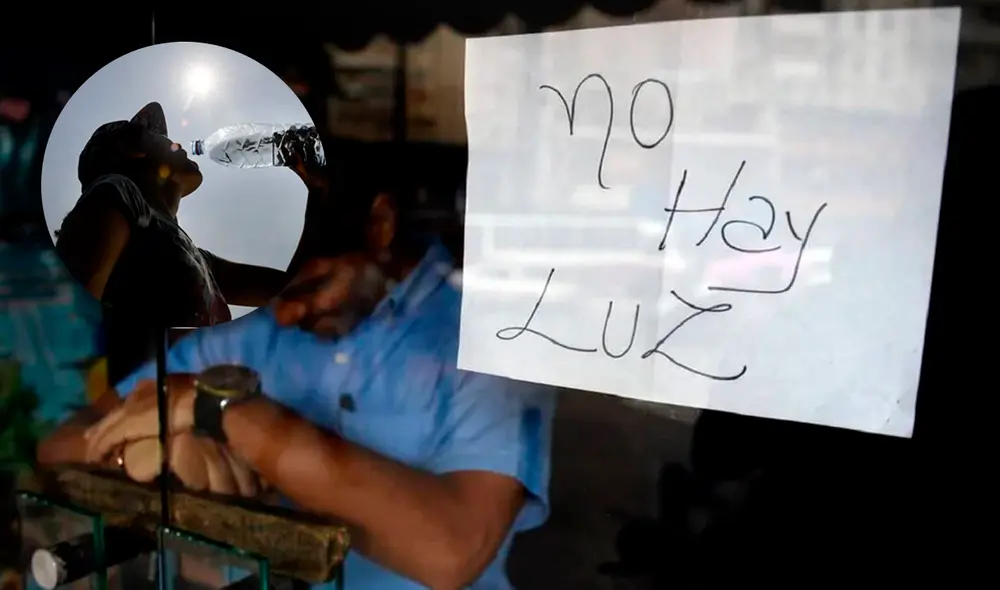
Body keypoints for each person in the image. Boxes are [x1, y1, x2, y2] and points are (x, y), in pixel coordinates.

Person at [38, 188, 556, 590]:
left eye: (310, 286)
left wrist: (224, 412)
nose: (286, 314)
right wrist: (156, 454)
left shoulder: (490, 336)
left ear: (380, 225)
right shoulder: (250, 329)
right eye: (269, 296)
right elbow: (61, 446)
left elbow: (452, 552)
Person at [53, 102, 328, 386]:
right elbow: (72, 322)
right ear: (131, 147)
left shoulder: (190, 253)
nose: (177, 143)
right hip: (151, 404)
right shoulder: (114, 194)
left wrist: (317, 193)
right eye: (161, 137)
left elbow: (290, 291)